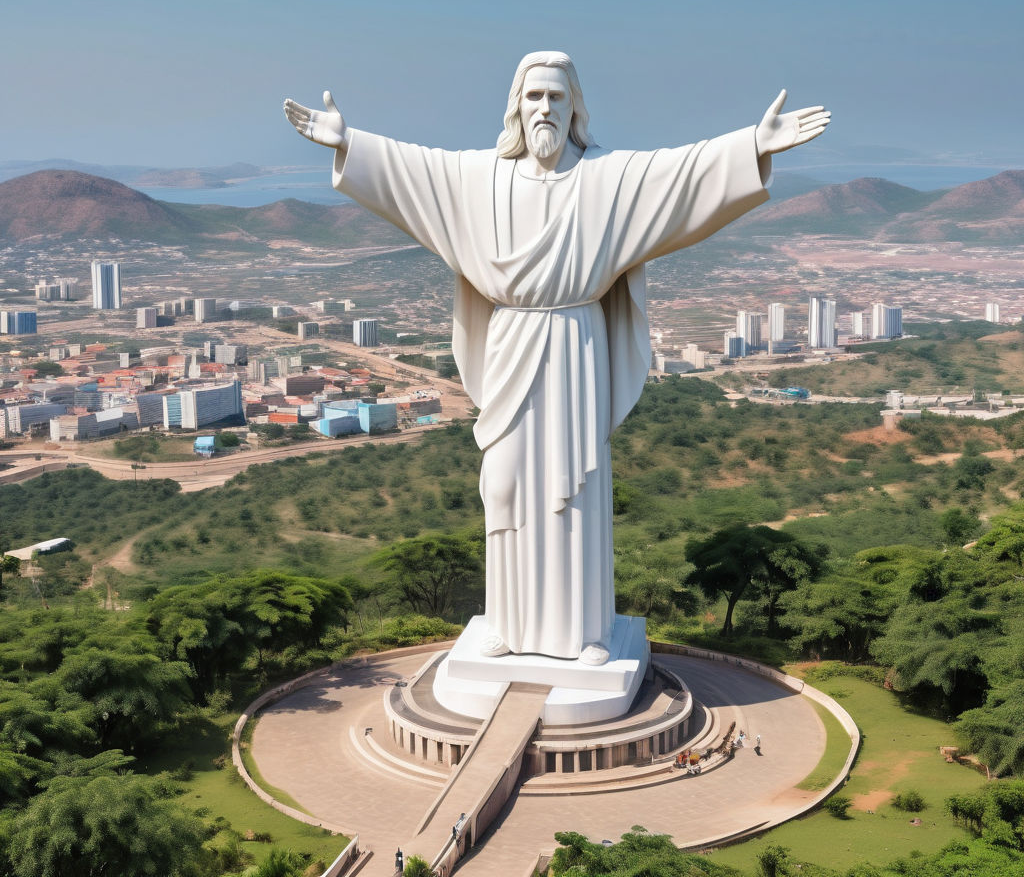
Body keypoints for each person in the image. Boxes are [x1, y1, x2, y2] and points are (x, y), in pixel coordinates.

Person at [284, 52, 829, 664]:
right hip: (511, 343)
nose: (544, 108)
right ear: (516, 105)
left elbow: (681, 176)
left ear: (575, 108)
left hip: (575, 344)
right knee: (507, 482)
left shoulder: (607, 178)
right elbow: (413, 172)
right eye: (533, 96)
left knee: (575, 487)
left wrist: (753, 146)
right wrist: (350, 143)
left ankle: (583, 633)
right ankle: (507, 625)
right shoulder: (480, 177)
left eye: (556, 97)